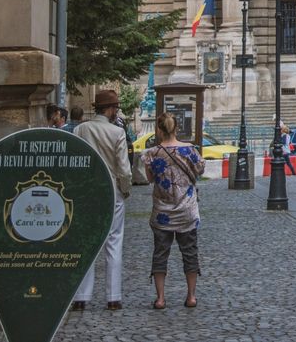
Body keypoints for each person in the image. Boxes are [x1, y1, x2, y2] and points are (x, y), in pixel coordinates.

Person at [71, 89, 132, 311]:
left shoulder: (80, 129)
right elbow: (124, 169)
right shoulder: (117, 133)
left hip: (86, 189)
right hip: (111, 189)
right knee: (114, 240)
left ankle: (81, 297)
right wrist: (125, 191)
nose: (116, 111)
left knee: (86, 242)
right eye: (115, 107)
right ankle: (113, 297)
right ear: (110, 109)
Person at [144, 111, 203, 310]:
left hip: (162, 212)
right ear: (176, 128)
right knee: (190, 252)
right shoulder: (190, 150)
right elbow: (200, 170)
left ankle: (160, 298)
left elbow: (150, 178)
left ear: (159, 130)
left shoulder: (152, 153)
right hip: (187, 210)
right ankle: (191, 296)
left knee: (161, 253)